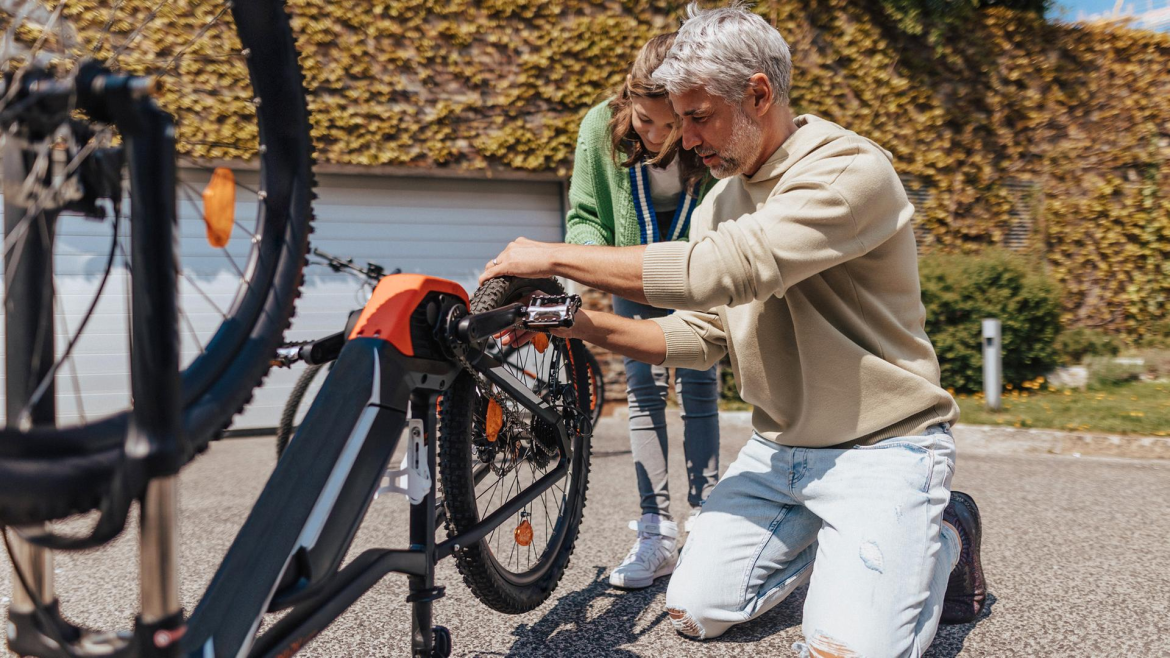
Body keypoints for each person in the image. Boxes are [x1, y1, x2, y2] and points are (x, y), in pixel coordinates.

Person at [482, 3, 986, 655]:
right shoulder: (721, 200)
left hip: (885, 449)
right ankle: (847, 546)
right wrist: (575, 323)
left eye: (698, 117)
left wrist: (552, 255)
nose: (685, 140)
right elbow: (698, 335)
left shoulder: (846, 169)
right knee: (695, 609)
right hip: (781, 451)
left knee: (848, 650)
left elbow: (727, 268)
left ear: (758, 93)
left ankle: (943, 536)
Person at [563, 32, 722, 590]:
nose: (655, 136)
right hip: (633, 271)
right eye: (644, 121)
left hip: (696, 269)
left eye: (667, 125)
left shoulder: (705, 127)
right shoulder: (598, 128)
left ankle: (704, 523)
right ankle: (656, 532)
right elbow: (584, 214)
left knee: (700, 388)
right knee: (642, 390)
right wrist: (579, 272)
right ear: (627, 101)